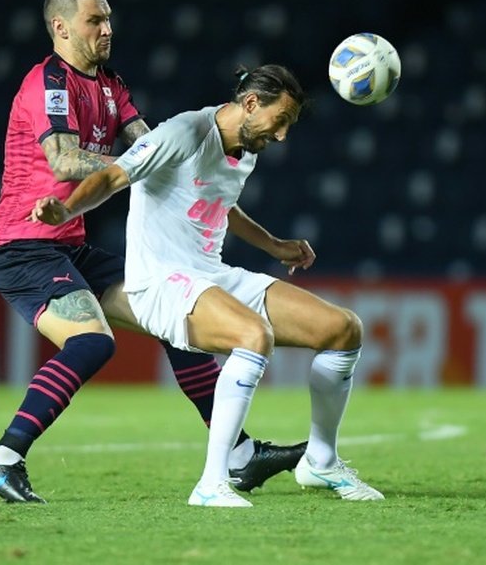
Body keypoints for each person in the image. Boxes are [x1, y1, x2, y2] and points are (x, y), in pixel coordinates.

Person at [0, 0, 304, 504]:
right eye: (93, 21)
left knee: (173, 314)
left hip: (70, 246)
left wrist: (178, 165)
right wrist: (141, 166)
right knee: (92, 341)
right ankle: (1, 460)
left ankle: (238, 456)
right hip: (23, 245)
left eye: (108, 19)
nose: (106, 30)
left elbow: (158, 148)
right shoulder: (49, 84)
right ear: (60, 27)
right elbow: (66, 160)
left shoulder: (110, 84)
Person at [30, 64, 384, 507]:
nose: (282, 137)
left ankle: (321, 462)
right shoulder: (184, 131)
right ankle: (212, 483)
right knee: (253, 335)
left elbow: (223, 206)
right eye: (280, 122)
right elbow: (114, 176)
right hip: (160, 282)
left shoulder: (245, 148)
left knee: (343, 329)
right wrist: (64, 212)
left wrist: (275, 246)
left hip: (210, 274)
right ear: (252, 104)